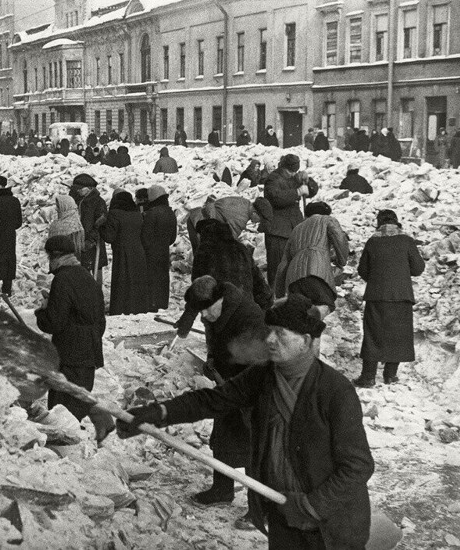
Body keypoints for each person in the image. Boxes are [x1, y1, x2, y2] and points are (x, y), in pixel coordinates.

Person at [118, 293, 375, 548]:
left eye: (282, 333)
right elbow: (213, 400)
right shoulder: (265, 376)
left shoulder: (334, 391)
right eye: (270, 331)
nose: (271, 340)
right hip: (283, 511)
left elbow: (357, 466)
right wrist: (159, 412)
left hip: (329, 523)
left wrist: (311, 506)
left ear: (306, 340)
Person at [173, 276, 268, 525]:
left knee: (252, 448)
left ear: (220, 300)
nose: (203, 316)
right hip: (227, 386)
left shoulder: (248, 315)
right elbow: (217, 346)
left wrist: (239, 385)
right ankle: (222, 489)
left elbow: (259, 360)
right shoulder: (217, 313)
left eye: (206, 309)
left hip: (251, 390)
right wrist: (213, 362)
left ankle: (259, 510)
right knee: (223, 439)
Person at [35, 235, 114, 442]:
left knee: (63, 404)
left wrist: (42, 311)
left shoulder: (62, 280)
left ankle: (72, 442)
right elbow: (100, 319)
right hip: (89, 347)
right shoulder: (87, 277)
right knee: (78, 393)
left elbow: (55, 322)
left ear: (54, 256)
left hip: (69, 349)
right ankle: (101, 420)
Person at [354, 210, 425, 387]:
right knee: (398, 336)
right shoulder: (407, 240)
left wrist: (378, 279)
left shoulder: (373, 241)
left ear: (379, 224)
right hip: (402, 296)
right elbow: (418, 269)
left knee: (373, 335)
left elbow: (362, 270)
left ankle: (368, 377)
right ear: (397, 223)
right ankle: (390, 375)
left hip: (377, 296)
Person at [274, 202, 348, 318]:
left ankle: (304, 333)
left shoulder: (296, 230)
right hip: (316, 272)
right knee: (325, 305)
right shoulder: (327, 220)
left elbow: (283, 265)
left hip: (293, 277)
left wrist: (279, 293)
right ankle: (314, 323)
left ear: (306, 215)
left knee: (300, 313)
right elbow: (339, 238)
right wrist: (341, 261)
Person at [190, 218, 273, 311]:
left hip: (219, 308)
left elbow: (198, 285)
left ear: (202, 233)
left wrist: (190, 314)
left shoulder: (204, 251)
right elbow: (257, 278)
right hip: (244, 305)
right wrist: (266, 303)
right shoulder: (240, 248)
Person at [263, 154, 318, 286]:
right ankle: (276, 299)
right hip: (278, 232)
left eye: (294, 172)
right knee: (277, 268)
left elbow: (312, 191)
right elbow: (275, 197)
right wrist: (297, 192)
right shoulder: (273, 179)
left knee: (293, 267)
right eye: (289, 171)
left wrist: (308, 180)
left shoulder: (294, 178)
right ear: (283, 168)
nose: (292, 174)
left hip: (294, 229)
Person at [99, 190, 150, 315]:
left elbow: (109, 237)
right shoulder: (137, 214)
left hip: (122, 252)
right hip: (138, 252)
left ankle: (121, 309)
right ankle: (138, 308)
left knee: (122, 282)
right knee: (136, 281)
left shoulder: (115, 214)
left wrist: (100, 226)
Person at [142, 185, 177, 311]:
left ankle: (151, 304)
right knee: (163, 277)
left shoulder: (152, 213)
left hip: (151, 252)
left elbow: (145, 236)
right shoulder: (171, 213)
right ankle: (162, 303)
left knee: (151, 278)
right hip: (164, 251)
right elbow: (173, 237)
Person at [73, 173, 108, 282]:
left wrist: (91, 241)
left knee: (96, 270)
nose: (78, 191)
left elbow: (100, 224)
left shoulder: (99, 202)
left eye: (80, 189)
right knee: (83, 272)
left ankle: (97, 295)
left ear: (89, 189)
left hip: (93, 244)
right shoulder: (80, 201)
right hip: (81, 242)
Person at [48, 195, 85, 260]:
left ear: (66, 207)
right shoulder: (56, 224)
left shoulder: (75, 226)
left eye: (58, 206)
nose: (56, 209)